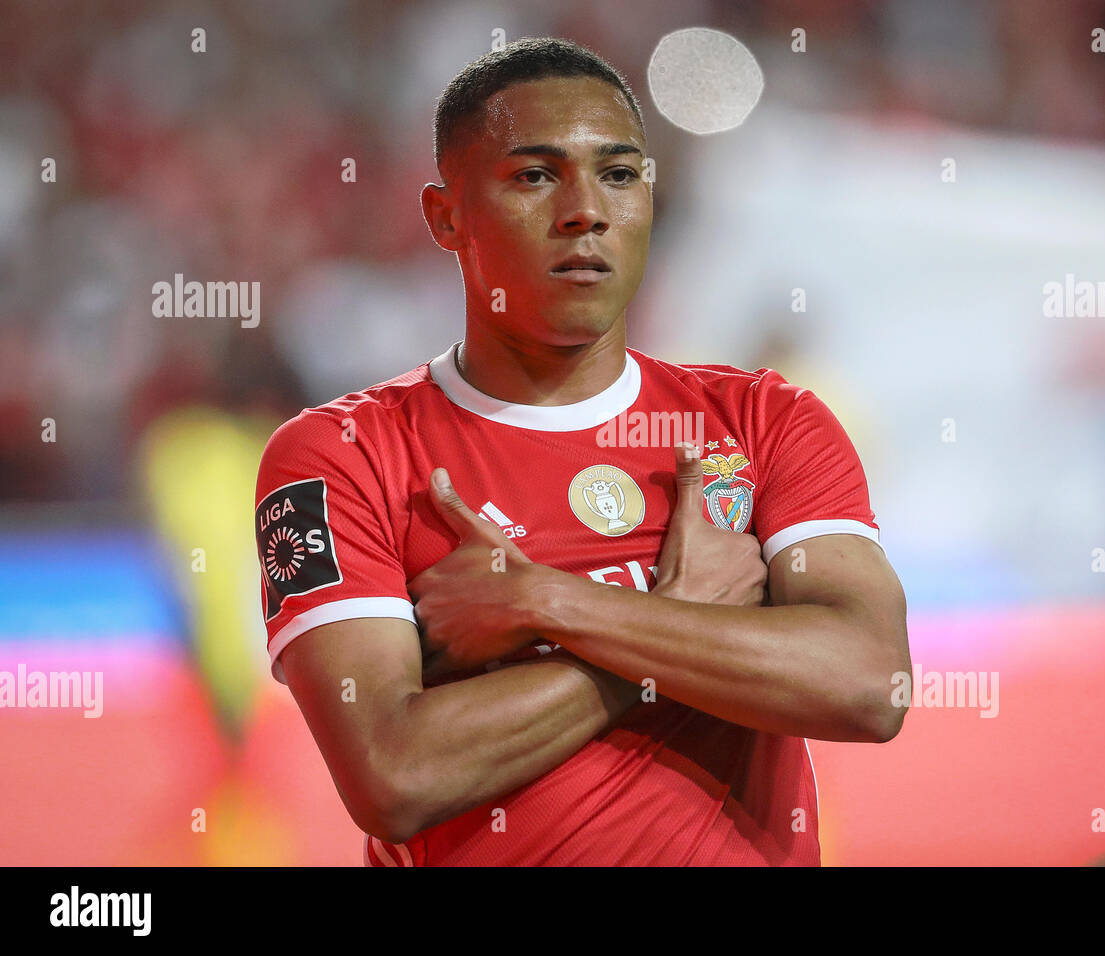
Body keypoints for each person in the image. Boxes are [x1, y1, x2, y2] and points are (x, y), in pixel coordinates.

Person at [253, 37, 910, 866]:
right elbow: (395, 774)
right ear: (445, 215)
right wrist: (690, 622)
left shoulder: (763, 420)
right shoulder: (341, 455)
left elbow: (870, 685)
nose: (585, 209)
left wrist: (549, 605)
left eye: (620, 173)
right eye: (534, 176)